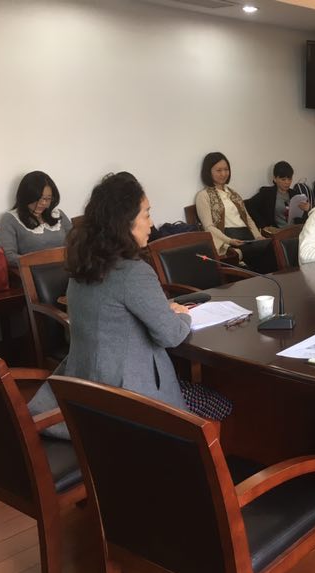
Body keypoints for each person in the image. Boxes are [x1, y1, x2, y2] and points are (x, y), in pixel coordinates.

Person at [27, 172, 231, 440]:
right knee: (222, 402)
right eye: (147, 214)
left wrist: (163, 312)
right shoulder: (133, 272)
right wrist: (182, 315)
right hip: (130, 403)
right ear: (125, 222)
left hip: (85, 393)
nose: (151, 223)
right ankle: (199, 463)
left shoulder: (82, 268)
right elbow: (171, 335)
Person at [195, 151, 276, 273]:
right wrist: (229, 240)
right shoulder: (203, 195)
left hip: (247, 236)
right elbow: (208, 227)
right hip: (228, 238)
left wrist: (258, 236)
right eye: (218, 170)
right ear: (208, 172)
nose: (223, 174)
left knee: (273, 246)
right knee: (259, 254)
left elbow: (248, 219)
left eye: (226, 169)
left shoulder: (233, 194)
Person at [0, 171, 72, 267]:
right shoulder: (10, 219)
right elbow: (9, 257)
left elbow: (75, 241)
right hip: (35, 272)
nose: (43, 203)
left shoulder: (56, 214)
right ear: (26, 197)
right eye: (39, 198)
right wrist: (41, 260)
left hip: (67, 268)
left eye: (48, 199)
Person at [247, 160, 309, 228]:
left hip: (295, 230)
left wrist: (306, 210)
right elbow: (248, 205)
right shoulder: (267, 193)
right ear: (275, 178)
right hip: (278, 232)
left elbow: (301, 219)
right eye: (283, 179)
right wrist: (263, 226)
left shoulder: (295, 194)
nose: (287, 182)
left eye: (289, 179)